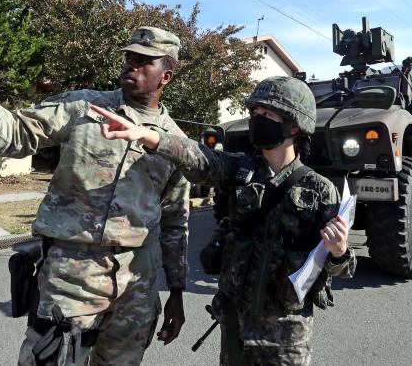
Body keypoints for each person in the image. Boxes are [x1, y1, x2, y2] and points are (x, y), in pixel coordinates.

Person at [0, 22, 191, 365]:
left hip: (137, 290)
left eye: (145, 61)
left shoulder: (176, 144)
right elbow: (11, 135)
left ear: (166, 76)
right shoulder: (84, 108)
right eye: (129, 57)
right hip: (70, 282)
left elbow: (175, 222)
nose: (132, 64)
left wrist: (176, 293)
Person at [90, 76, 357, 365]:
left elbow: (344, 267)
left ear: (293, 125)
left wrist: (339, 251)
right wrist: (148, 135)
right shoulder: (239, 171)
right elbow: (196, 155)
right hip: (234, 320)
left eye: (267, 114)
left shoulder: (320, 189)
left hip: (286, 331)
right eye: (254, 113)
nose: (257, 119)